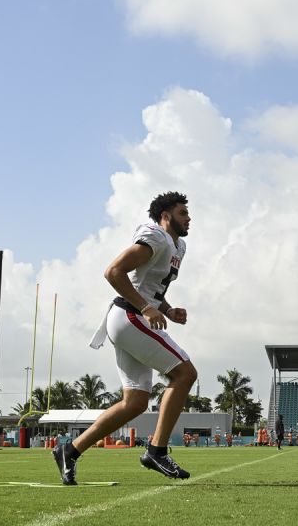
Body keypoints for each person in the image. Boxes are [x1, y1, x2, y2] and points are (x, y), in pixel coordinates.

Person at [54, 192, 197, 486]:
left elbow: (150, 284)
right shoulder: (156, 236)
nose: (189, 218)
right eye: (183, 213)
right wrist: (146, 308)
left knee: (134, 403)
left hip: (132, 317)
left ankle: (70, 450)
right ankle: (156, 450)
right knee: (185, 374)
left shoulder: (178, 246)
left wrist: (167, 309)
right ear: (166, 216)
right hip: (130, 316)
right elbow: (114, 272)